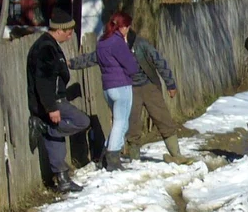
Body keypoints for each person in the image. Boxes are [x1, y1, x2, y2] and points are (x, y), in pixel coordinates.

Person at [70, 28, 193, 164]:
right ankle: (135, 158)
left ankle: (176, 154)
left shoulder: (141, 44)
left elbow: (159, 61)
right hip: (129, 88)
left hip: (149, 85)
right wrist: (72, 63)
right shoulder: (112, 46)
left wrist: (170, 84)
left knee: (162, 118)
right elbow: (93, 57)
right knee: (132, 123)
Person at [27, 8, 90, 193]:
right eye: (69, 33)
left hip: (51, 102)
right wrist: (51, 107)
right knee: (82, 121)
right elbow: (44, 80)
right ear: (60, 30)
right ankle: (45, 127)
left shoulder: (49, 45)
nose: (70, 37)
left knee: (57, 139)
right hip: (54, 101)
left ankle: (62, 180)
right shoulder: (46, 48)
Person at [95, 11, 141, 171]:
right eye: (127, 26)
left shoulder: (101, 42)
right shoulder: (117, 42)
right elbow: (131, 66)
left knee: (120, 123)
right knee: (121, 123)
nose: (128, 29)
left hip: (107, 87)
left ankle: (104, 157)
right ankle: (113, 159)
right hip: (121, 85)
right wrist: (128, 48)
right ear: (122, 27)